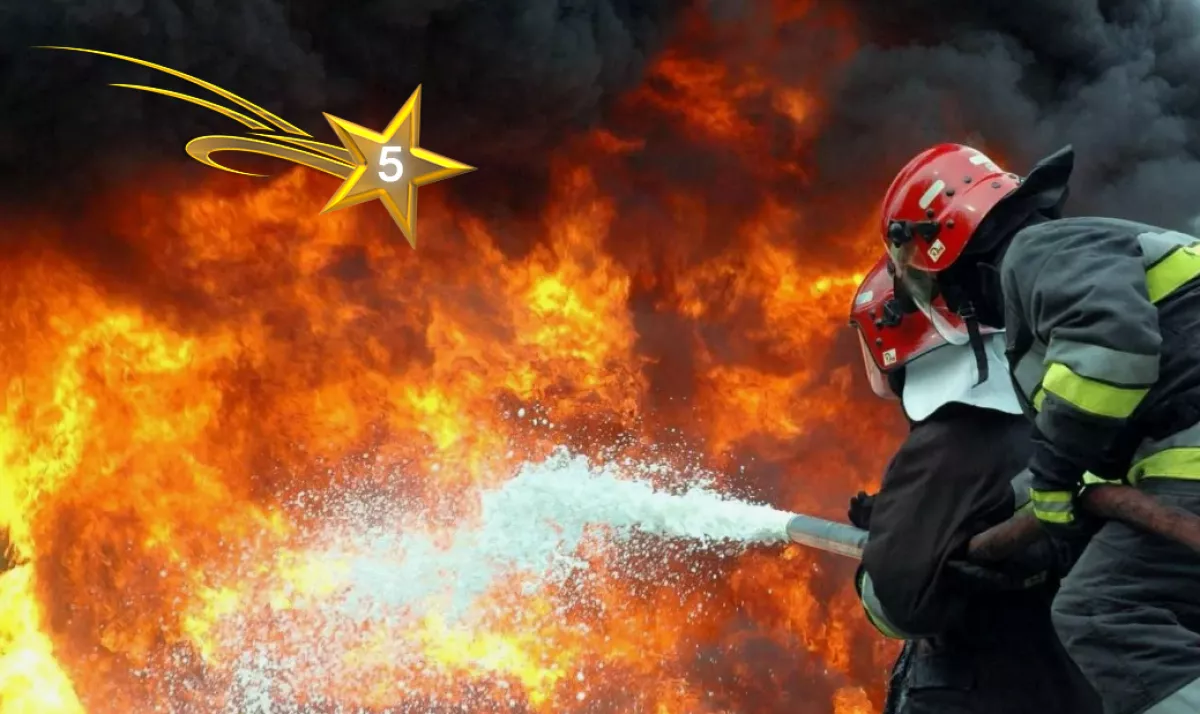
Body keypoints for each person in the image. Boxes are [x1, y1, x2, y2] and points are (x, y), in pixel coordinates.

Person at [879, 142, 1200, 714]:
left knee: (1101, 610)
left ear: (943, 244)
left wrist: (1053, 475)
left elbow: (1113, 355)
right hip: (1178, 459)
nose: (941, 296)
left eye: (926, 279)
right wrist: (1007, 510)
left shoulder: (1037, 251)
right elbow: (1095, 451)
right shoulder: (1064, 267)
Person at [847, 255, 1099, 714]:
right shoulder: (1053, 416)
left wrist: (879, 561)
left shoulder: (948, 442)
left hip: (983, 689)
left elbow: (900, 602)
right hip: (1072, 683)